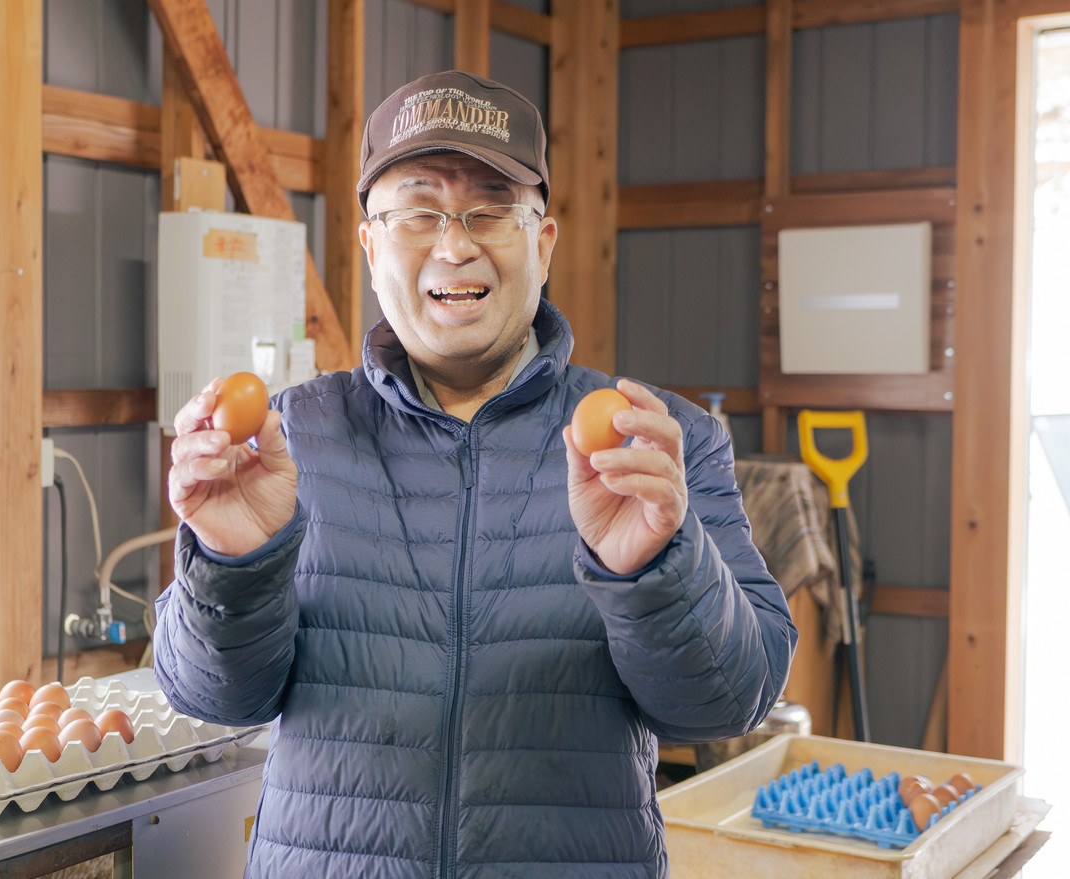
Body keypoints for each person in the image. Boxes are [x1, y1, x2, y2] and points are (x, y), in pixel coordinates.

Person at [153, 69, 798, 879]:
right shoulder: (288, 438)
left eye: (491, 211)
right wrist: (234, 563)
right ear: (371, 246)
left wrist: (657, 569)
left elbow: (727, 703)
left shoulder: (652, 444)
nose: (454, 245)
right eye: (418, 212)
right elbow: (213, 698)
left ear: (544, 243)